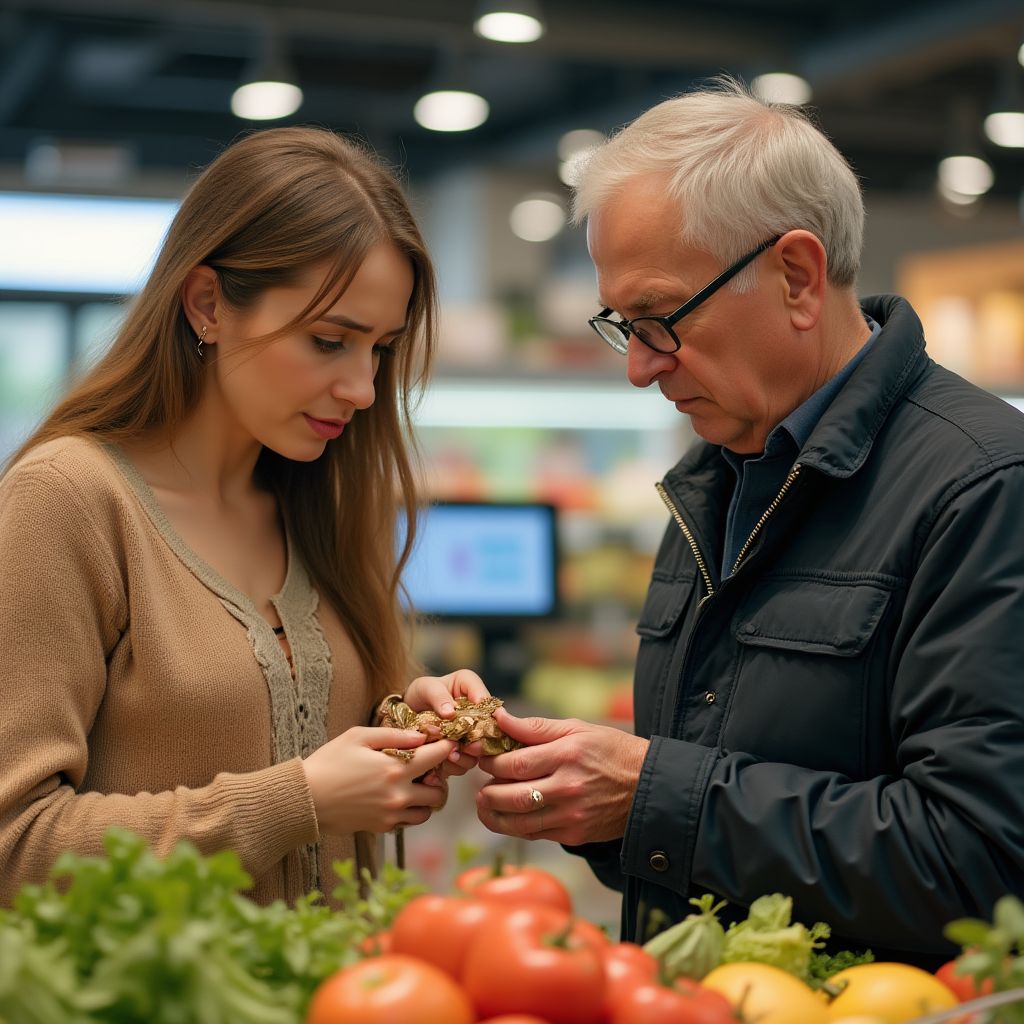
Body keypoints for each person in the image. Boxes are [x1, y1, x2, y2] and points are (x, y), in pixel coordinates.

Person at [474, 77, 1024, 967]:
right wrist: (587, 797)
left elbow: (983, 861)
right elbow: (705, 827)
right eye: (623, 326)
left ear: (797, 277)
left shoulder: (987, 487)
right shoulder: (714, 481)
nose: (639, 369)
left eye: (659, 321)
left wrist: (648, 794)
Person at [0, 126, 490, 907]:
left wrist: (410, 718)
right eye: (330, 341)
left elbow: (292, 727)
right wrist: (297, 802)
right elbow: (14, 845)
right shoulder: (70, 501)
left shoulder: (318, 501)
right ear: (206, 305)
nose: (362, 389)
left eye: (381, 351)